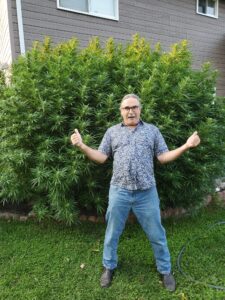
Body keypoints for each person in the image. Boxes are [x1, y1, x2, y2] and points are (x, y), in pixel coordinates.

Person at [70, 94, 200, 292]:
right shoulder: (112, 132)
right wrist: (82, 145)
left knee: (157, 233)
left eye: (134, 107)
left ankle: (165, 270)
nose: (130, 111)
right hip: (119, 191)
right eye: (126, 108)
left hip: (146, 193)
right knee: (112, 232)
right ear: (121, 111)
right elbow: (101, 157)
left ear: (140, 109)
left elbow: (163, 157)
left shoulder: (152, 131)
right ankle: (108, 266)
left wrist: (186, 146)